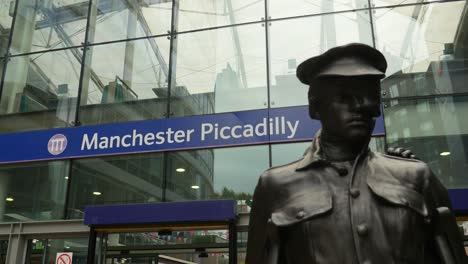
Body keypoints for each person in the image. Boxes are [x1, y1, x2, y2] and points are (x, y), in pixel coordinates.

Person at [245, 43, 467, 264]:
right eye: (345, 98)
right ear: (315, 108)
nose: (361, 106)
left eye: (369, 98)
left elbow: (450, 255)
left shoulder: (415, 175)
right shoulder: (275, 185)